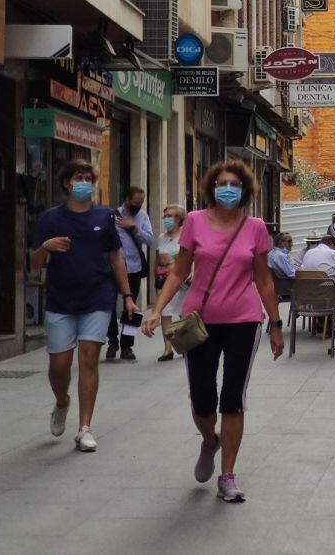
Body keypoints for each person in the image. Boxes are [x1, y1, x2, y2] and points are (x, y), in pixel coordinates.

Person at [142, 160, 283, 503]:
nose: (228, 188)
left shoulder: (255, 228)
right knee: (202, 398)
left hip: (244, 321)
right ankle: (209, 441)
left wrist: (276, 324)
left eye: (234, 183)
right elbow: (178, 272)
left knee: (233, 397)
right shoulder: (194, 222)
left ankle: (227, 475)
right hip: (200, 321)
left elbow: (264, 279)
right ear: (211, 188)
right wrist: (157, 309)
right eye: (222, 182)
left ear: (245, 190)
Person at [30, 160, 139, 452]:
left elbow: (115, 257)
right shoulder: (51, 218)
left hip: (98, 296)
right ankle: (62, 401)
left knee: (89, 357)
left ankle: (84, 428)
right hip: (61, 298)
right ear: (67, 183)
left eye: (89, 178)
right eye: (79, 177)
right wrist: (46, 247)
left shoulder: (105, 216)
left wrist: (127, 296)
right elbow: (34, 262)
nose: (85, 182)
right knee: (59, 365)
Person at [106, 186, 154, 361]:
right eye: (135, 202)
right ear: (126, 200)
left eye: (141, 203)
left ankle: (127, 346)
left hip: (133, 268)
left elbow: (150, 239)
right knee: (108, 305)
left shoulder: (142, 217)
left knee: (132, 309)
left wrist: (134, 227)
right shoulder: (111, 215)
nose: (138, 206)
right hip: (112, 268)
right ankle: (112, 340)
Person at [155, 204, 190, 362]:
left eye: (171, 216)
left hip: (182, 280)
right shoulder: (161, 238)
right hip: (164, 280)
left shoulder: (186, 236)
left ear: (179, 218)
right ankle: (168, 348)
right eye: (166, 216)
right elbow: (157, 259)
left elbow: (193, 257)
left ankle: (185, 345)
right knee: (166, 313)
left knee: (184, 313)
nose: (167, 219)